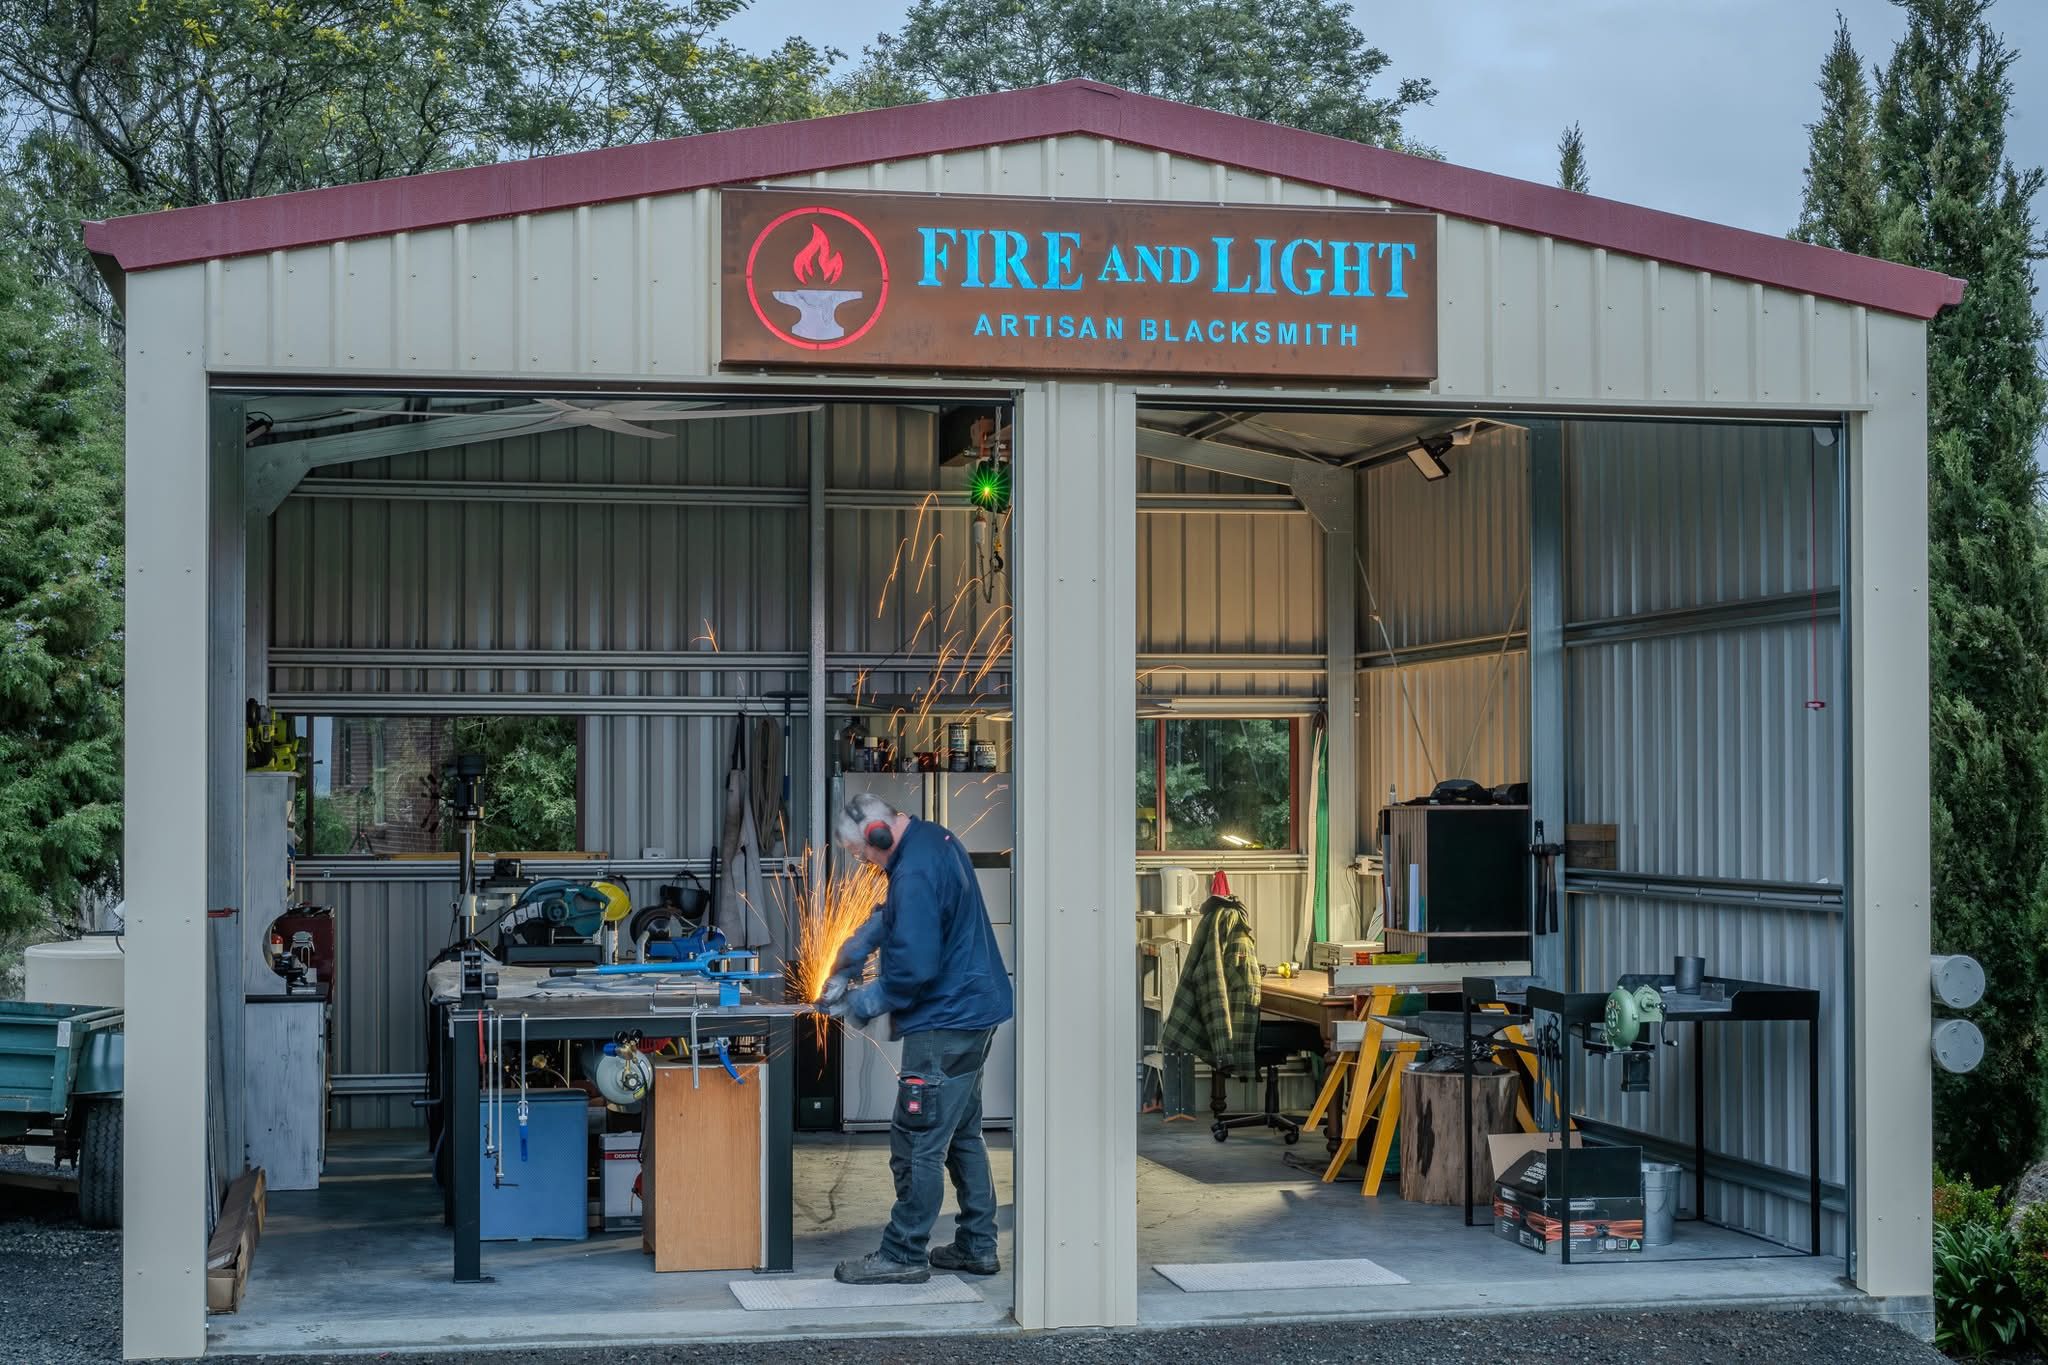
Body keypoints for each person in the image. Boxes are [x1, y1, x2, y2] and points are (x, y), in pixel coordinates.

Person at [817, 792, 1014, 1285]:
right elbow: (896, 914)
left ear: (878, 835)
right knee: (961, 1133)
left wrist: (862, 1001)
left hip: (945, 1022)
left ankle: (903, 1253)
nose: (864, 863)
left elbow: (913, 968)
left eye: (863, 854)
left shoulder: (915, 869)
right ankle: (977, 1245)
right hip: (973, 1012)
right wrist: (852, 951)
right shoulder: (929, 841)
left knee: (917, 1140)